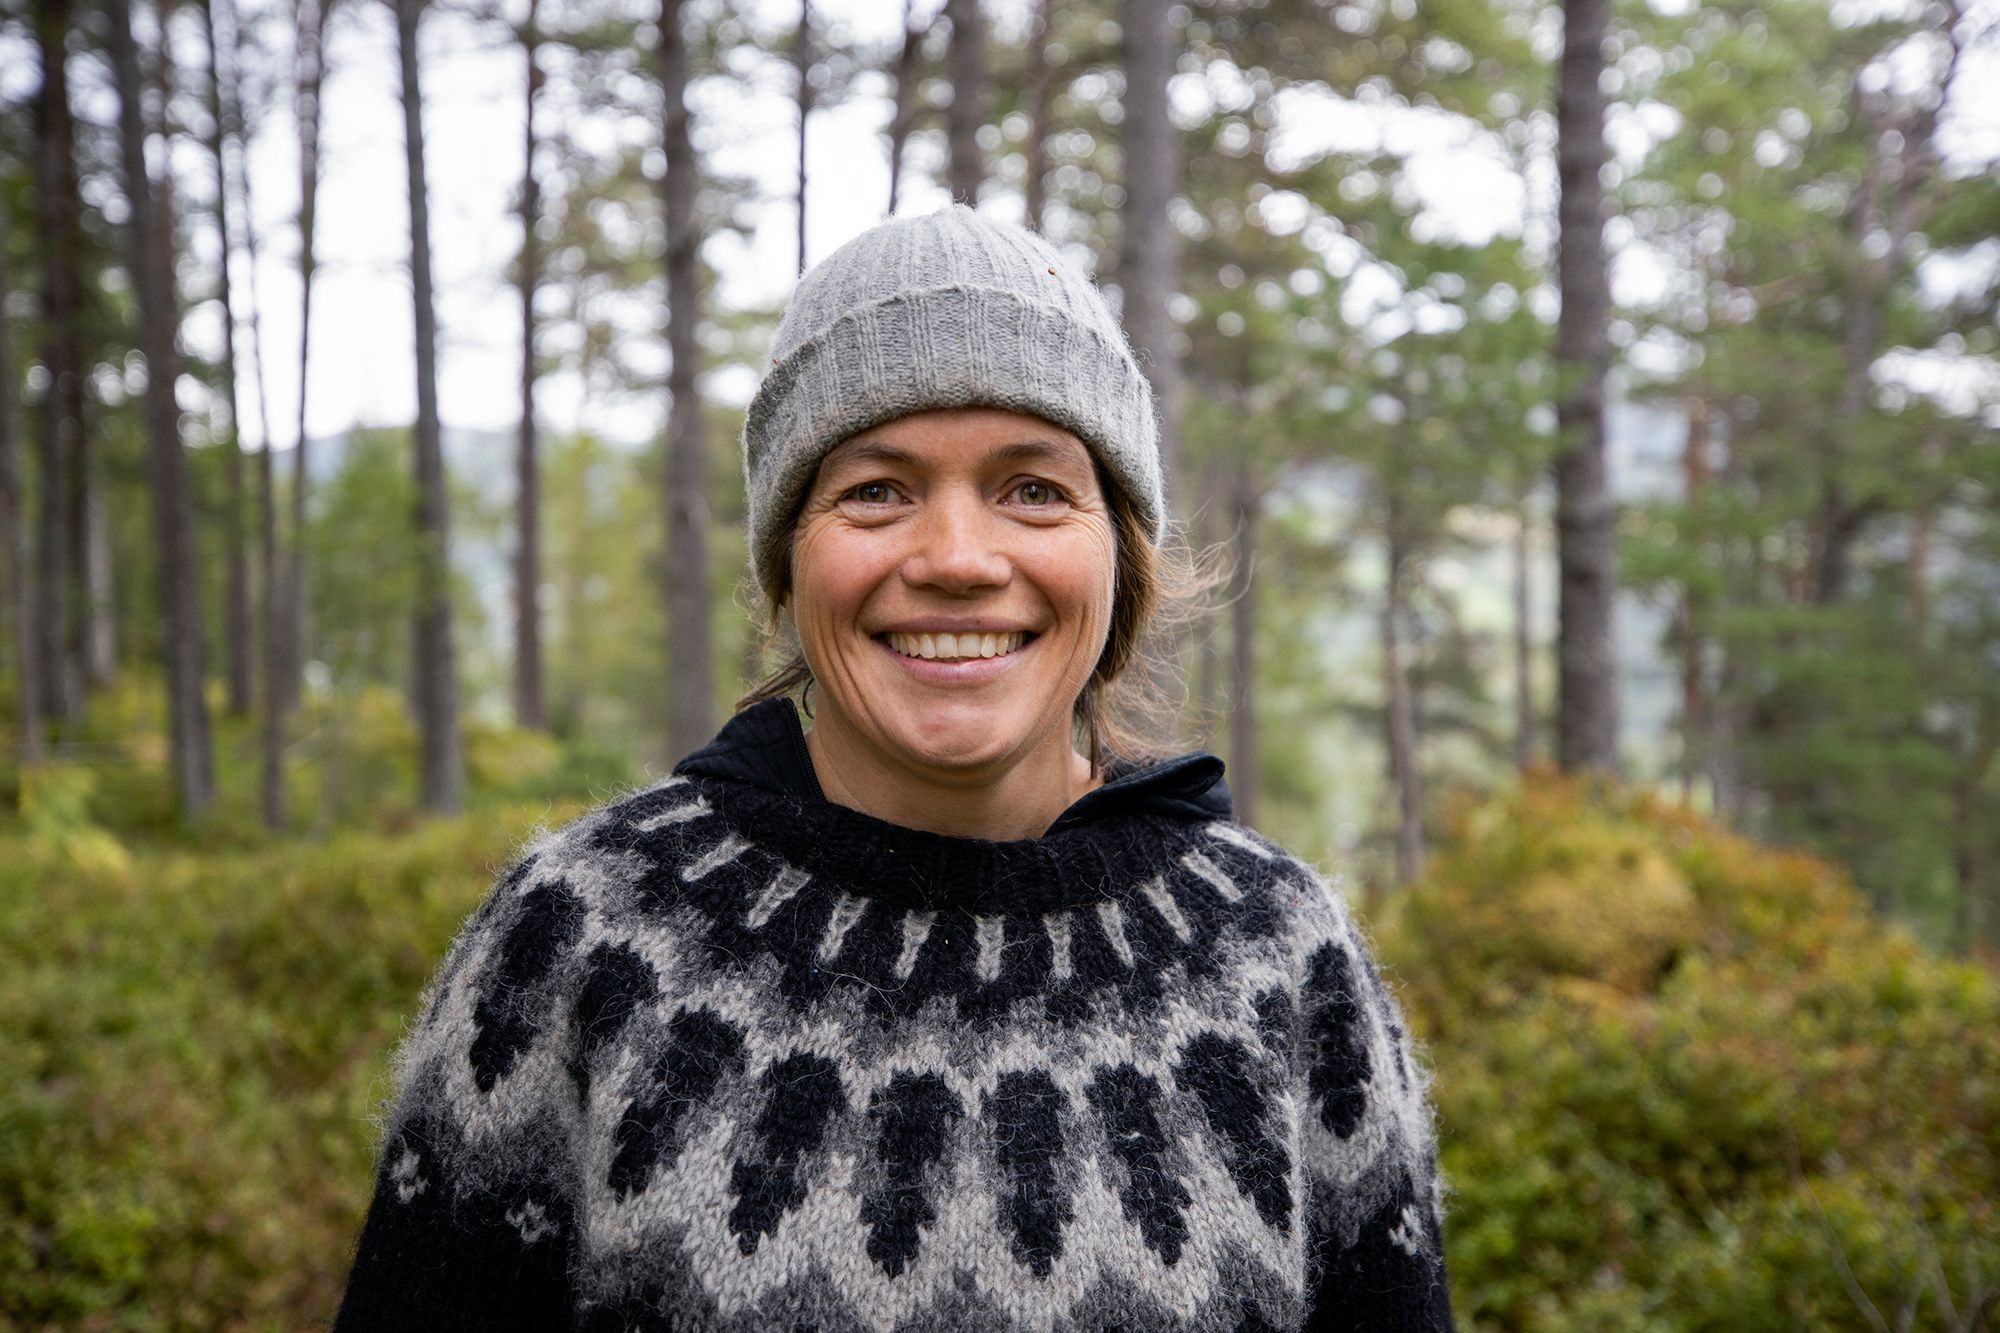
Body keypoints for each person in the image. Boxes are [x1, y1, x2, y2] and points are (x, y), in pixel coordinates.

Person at [333, 205, 1453, 1331]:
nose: (957, 560)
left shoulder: (1278, 960)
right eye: (875, 489)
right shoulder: (583, 940)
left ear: (1119, 553)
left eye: (1033, 488)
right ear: (786, 559)